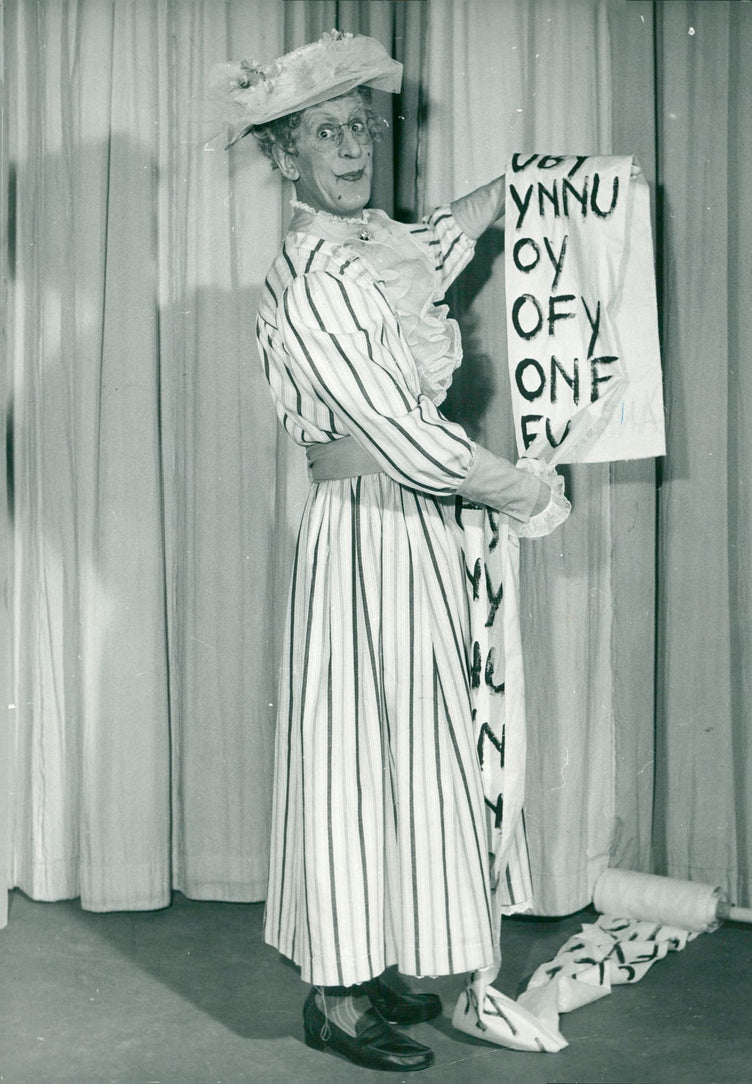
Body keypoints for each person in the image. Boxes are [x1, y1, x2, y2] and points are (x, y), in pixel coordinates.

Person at [212, 30, 568, 1073]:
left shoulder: (372, 243)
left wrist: (521, 187)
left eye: (356, 125)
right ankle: (333, 993)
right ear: (283, 155)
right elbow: (406, 439)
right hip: (366, 524)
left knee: (410, 749)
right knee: (354, 756)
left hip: (415, 527)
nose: (348, 144)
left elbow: (440, 242)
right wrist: (523, 491)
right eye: (321, 131)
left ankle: (376, 964)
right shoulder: (315, 275)